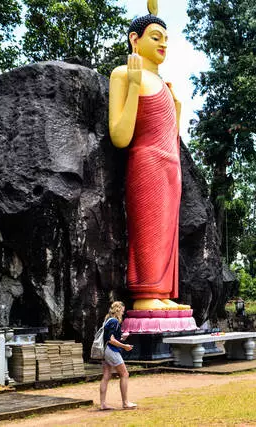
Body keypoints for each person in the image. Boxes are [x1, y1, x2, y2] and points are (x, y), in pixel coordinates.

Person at [108, 2, 188, 312]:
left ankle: (163, 291)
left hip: (171, 165)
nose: (163, 44)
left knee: (168, 230)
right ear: (134, 40)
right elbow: (120, 135)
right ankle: (145, 293)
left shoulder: (166, 86)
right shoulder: (122, 74)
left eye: (166, 39)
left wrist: (177, 108)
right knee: (149, 228)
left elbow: (171, 134)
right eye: (155, 37)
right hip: (146, 164)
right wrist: (132, 83)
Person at [99, 301, 136, 410]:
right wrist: (124, 346)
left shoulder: (107, 320)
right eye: (122, 311)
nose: (123, 314)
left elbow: (110, 338)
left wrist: (121, 338)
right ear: (118, 310)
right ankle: (125, 402)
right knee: (124, 374)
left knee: (106, 376)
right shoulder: (114, 321)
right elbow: (111, 340)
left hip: (104, 351)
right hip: (111, 350)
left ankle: (103, 404)